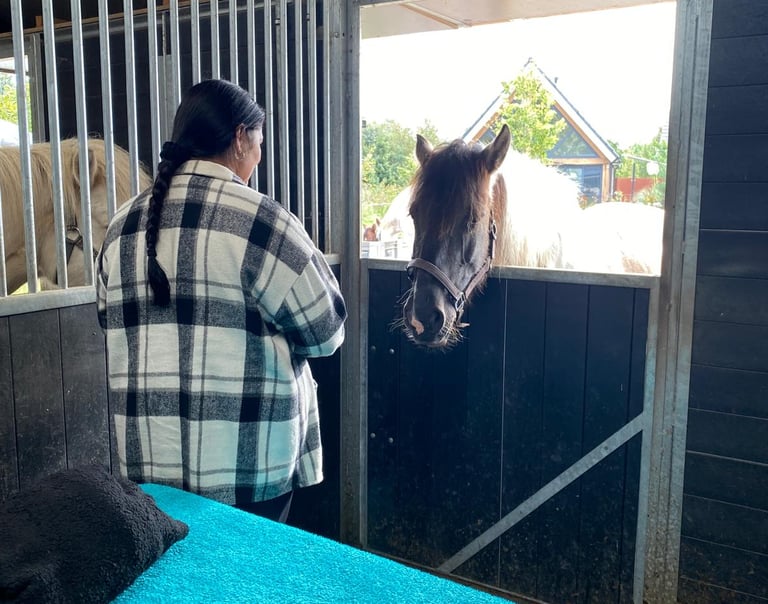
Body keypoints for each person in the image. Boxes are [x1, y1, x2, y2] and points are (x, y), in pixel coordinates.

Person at [96, 79, 346, 523]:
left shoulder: (120, 228)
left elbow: (107, 318)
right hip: (249, 479)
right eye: (260, 143)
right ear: (239, 138)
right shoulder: (263, 221)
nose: (259, 157)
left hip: (147, 480)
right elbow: (327, 333)